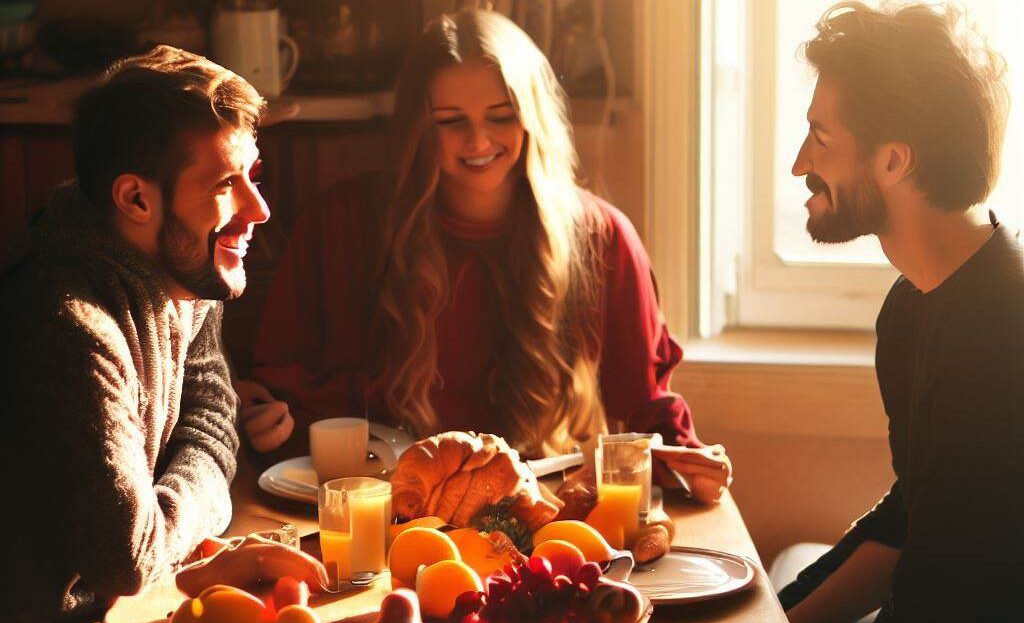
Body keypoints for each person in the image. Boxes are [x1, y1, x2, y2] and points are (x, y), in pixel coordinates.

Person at [238, 9, 732, 501]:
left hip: (547, 511)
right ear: (416, 128)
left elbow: (646, 407)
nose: (478, 141)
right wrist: (264, 418)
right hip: (390, 509)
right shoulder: (342, 224)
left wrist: (687, 460)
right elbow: (280, 389)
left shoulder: (603, 237)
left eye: (501, 116)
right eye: (451, 122)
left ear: (534, 119)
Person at [0, 46, 270, 623]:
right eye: (227, 182)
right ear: (136, 198)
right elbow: (128, 557)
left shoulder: (183, 269)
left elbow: (213, 414)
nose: (259, 209)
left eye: (253, 174)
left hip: (128, 611)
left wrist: (179, 508)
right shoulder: (68, 323)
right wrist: (209, 503)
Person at [779, 2, 1024, 623]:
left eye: (822, 138)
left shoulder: (1003, 333)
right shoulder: (913, 305)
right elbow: (910, 519)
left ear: (894, 161)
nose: (801, 163)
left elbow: (949, 598)